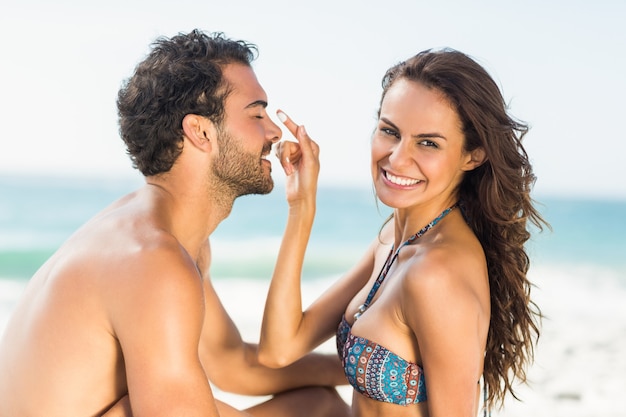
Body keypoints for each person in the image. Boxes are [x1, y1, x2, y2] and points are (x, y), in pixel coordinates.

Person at [0, 29, 350, 417]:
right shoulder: (152, 260)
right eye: (256, 114)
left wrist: (354, 371)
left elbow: (233, 366)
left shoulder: (163, 235)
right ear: (200, 131)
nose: (274, 131)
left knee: (319, 405)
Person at [259, 48, 548, 416]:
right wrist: (302, 207)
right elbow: (279, 347)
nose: (396, 157)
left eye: (428, 142)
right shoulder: (396, 239)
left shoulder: (437, 273)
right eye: (389, 131)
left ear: (472, 155)